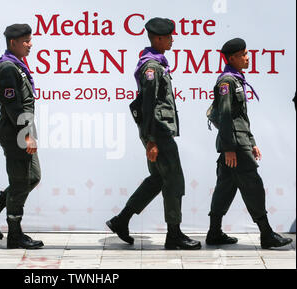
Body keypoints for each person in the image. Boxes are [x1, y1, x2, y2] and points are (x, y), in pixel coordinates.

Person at [106, 18, 201, 250]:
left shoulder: (156, 63)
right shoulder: (152, 68)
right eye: (169, 37)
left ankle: (121, 220)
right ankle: (174, 235)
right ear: (158, 38)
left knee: (159, 179)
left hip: (156, 131)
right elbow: (148, 106)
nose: (172, 40)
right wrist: (151, 141)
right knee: (174, 181)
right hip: (158, 132)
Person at [206, 38, 293, 249]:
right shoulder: (227, 82)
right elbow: (226, 116)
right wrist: (229, 148)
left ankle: (214, 232)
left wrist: (252, 141)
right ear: (232, 58)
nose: (247, 57)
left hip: (239, 141)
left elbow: (240, 118)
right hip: (235, 145)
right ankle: (266, 234)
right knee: (253, 185)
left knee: (225, 186)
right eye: (244, 54)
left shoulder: (236, 80)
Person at [0, 24, 43, 249]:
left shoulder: (18, 65)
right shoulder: (7, 68)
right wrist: (25, 135)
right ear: (13, 43)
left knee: (32, 177)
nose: (30, 44)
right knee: (19, 182)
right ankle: (15, 234)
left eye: (30, 39)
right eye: (26, 40)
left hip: (22, 131)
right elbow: (12, 106)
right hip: (15, 133)